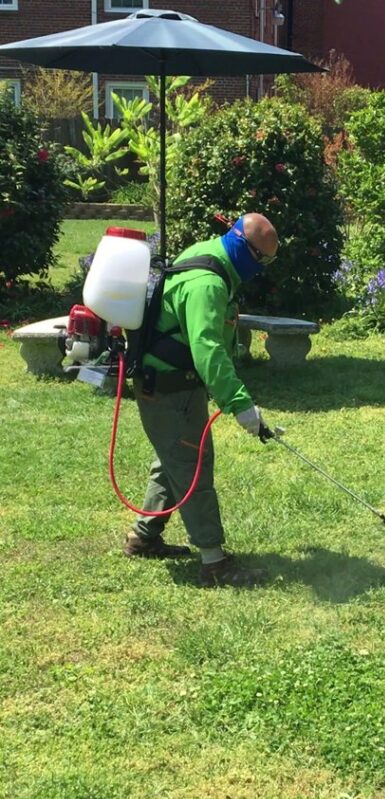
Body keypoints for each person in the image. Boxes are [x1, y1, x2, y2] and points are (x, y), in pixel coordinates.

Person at [122, 212, 279, 587]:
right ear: (243, 246)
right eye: (262, 260)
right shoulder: (208, 284)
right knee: (192, 465)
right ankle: (214, 563)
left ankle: (143, 537)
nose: (262, 269)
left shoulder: (208, 252)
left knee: (173, 457)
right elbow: (208, 350)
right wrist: (240, 406)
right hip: (171, 388)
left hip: (163, 384)